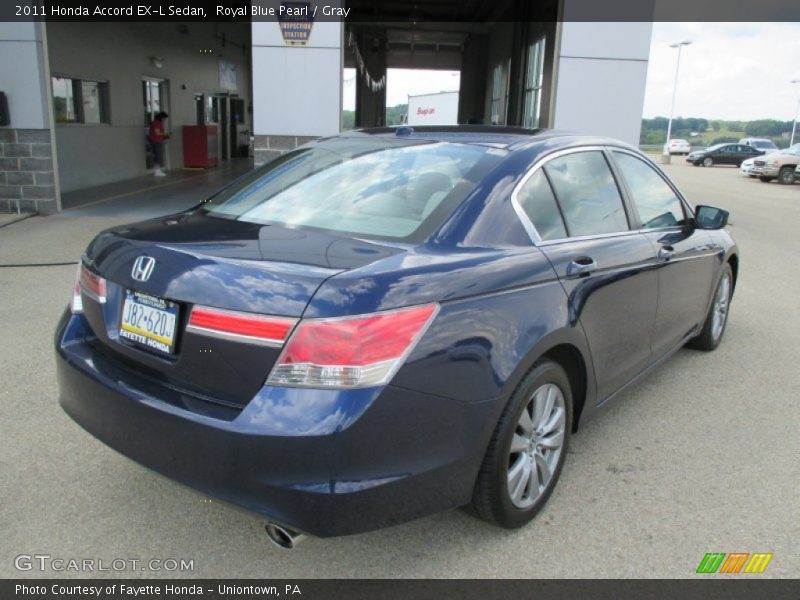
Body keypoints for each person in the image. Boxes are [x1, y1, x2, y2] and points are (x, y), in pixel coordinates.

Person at [148, 112, 170, 176]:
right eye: (164, 119)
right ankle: (157, 171)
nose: (165, 120)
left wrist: (165, 136)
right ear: (162, 118)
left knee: (157, 156)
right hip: (156, 141)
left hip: (156, 141)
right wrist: (165, 134)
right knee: (158, 156)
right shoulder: (157, 123)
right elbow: (157, 133)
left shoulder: (156, 123)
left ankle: (157, 170)